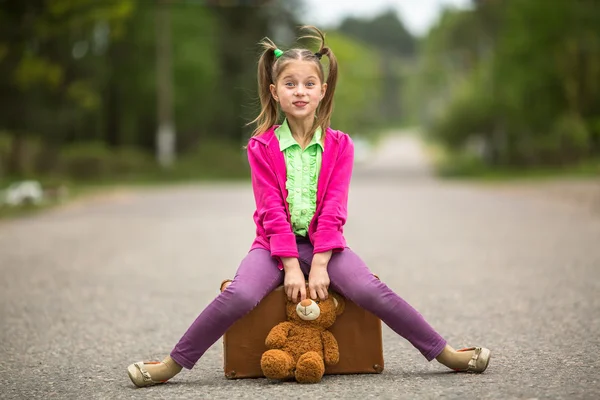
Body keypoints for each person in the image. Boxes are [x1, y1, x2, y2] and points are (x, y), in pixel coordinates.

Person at [126, 26, 491, 388]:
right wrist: (290, 267)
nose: (300, 91)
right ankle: (172, 364)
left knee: (369, 290)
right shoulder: (261, 146)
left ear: (322, 90)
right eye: (290, 84)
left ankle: (445, 353)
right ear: (274, 92)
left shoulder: (341, 145)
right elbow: (271, 213)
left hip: (327, 248)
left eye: (308, 84)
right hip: (271, 248)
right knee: (238, 294)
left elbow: (333, 209)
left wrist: (319, 263)